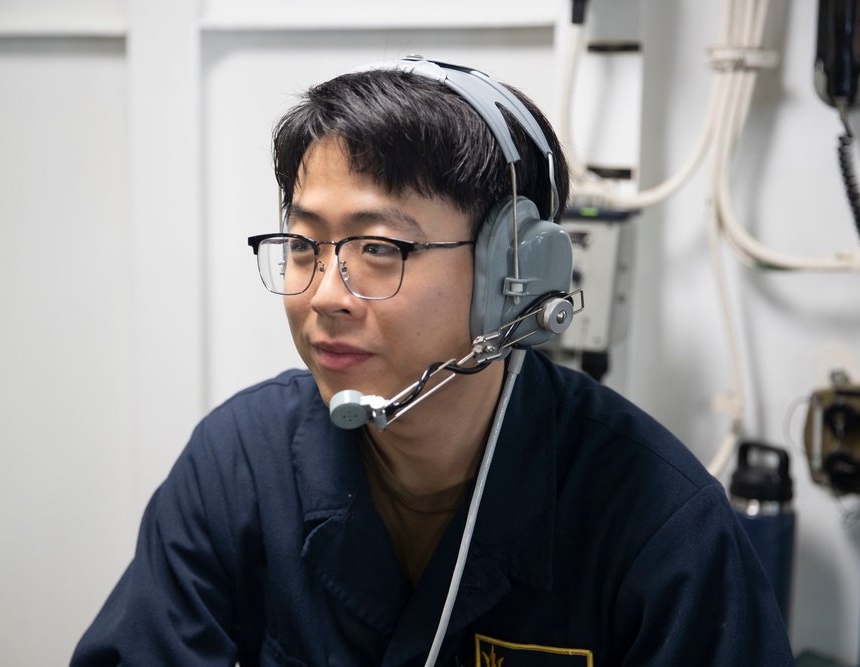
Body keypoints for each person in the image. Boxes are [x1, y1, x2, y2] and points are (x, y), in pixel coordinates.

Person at [72, 58, 795, 666]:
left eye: (378, 250)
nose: (326, 295)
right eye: (303, 246)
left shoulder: (662, 525)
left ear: (516, 272)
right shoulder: (239, 463)